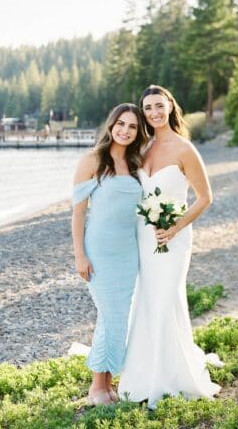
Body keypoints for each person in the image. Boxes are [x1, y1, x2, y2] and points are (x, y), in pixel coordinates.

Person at [117, 85, 221, 408]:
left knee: (166, 300)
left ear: (170, 107)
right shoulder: (143, 148)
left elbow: (205, 198)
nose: (153, 113)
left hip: (174, 240)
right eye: (147, 108)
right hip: (145, 240)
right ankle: (143, 376)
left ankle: (169, 379)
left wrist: (174, 227)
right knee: (146, 301)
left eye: (158, 106)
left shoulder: (185, 149)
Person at [70, 104, 147, 405]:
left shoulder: (136, 162)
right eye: (121, 124)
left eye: (132, 126)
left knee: (117, 317)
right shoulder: (92, 160)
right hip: (99, 251)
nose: (125, 130)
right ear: (111, 125)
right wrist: (80, 255)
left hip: (128, 253)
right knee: (111, 315)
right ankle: (96, 387)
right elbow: (78, 214)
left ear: (138, 132)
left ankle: (109, 383)